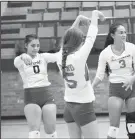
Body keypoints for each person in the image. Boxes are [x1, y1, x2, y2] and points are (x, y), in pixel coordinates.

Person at [54, 10, 105, 138]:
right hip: (83, 107)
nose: (83, 42)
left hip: (69, 108)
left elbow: (67, 38)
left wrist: (78, 20)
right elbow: (92, 35)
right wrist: (95, 14)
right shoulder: (78, 57)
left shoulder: (60, 55)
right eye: (82, 40)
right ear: (79, 42)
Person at [92, 23, 135, 139]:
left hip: (132, 88)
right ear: (112, 35)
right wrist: (92, 86)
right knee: (113, 128)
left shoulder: (131, 47)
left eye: (125, 32)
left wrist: (132, 79)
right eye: (121, 32)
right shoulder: (105, 53)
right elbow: (100, 75)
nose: (124, 34)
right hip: (116, 90)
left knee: (132, 126)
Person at [14, 34, 58, 138]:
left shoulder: (43, 57)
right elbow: (16, 62)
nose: (36, 48)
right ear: (26, 45)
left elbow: (59, 55)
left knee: (51, 131)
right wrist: (22, 56)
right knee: (34, 132)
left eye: (38, 45)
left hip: (46, 95)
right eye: (32, 45)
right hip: (31, 96)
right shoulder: (20, 60)